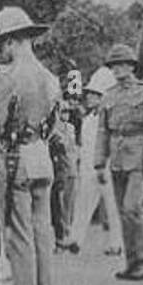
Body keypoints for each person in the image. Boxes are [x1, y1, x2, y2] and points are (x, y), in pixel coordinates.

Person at [0, 7, 58, 285]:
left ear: (10, 41)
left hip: (12, 159)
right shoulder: (49, 78)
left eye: (2, 44)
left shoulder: (8, 78)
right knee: (41, 232)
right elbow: (54, 125)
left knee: (17, 233)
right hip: (40, 153)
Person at [93, 43, 143, 280]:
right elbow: (102, 131)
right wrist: (98, 162)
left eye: (122, 64)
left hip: (138, 157)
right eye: (114, 65)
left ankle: (142, 261)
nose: (118, 69)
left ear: (132, 66)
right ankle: (132, 263)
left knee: (131, 208)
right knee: (122, 212)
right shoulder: (109, 96)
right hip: (116, 160)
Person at [66, 67, 125, 255]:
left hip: (107, 167)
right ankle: (75, 239)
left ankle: (116, 243)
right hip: (89, 169)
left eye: (94, 94)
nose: (89, 97)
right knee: (83, 203)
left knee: (112, 206)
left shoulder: (112, 118)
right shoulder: (88, 119)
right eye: (89, 94)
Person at [48, 98, 79, 247]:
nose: (66, 114)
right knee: (59, 204)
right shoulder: (54, 130)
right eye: (63, 111)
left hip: (71, 168)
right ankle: (62, 234)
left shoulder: (71, 128)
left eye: (68, 111)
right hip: (60, 170)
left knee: (70, 203)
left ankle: (68, 232)